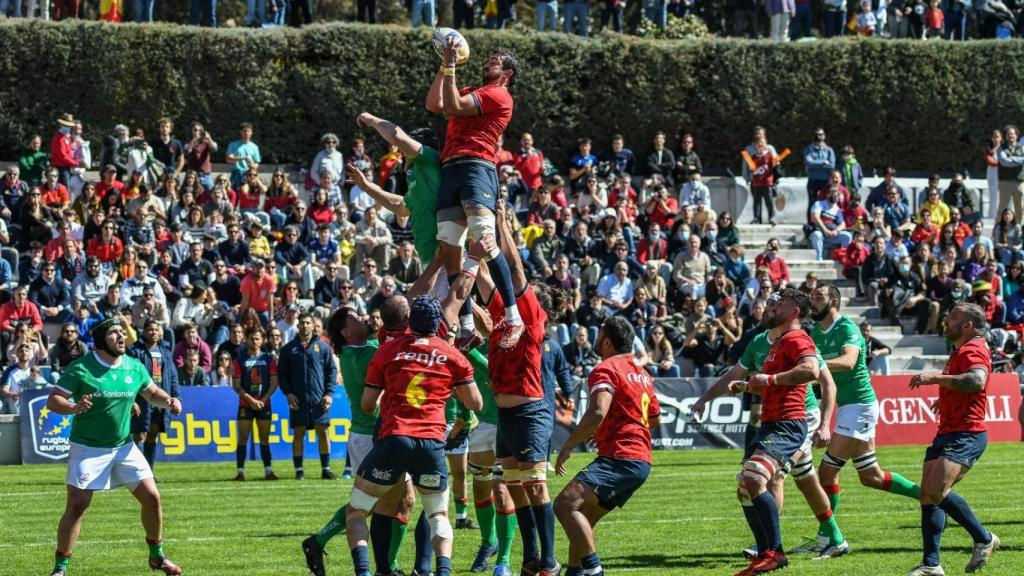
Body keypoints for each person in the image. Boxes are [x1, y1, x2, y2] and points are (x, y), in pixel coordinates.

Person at [331, 296, 481, 576]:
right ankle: (442, 571)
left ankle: (365, 571)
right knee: (437, 514)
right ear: (437, 323)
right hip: (431, 443)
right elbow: (476, 403)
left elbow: (367, 405)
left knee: (358, 511)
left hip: (394, 439)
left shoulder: (387, 351)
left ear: (411, 320)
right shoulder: (451, 354)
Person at [699, 289, 834, 572]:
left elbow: (811, 371)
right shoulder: (773, 343)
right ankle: (766, 551)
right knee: (749, 486)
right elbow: (766, 382)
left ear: (794, 312)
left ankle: (775, 551)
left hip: (790, 423)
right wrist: (747, 386)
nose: (771, 308)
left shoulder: (796, 338)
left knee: (759, 476)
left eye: (780, 305)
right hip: (772, 424)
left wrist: (769, 380)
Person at [45, 318, 183, 576]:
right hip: (88, 448)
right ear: (100, 340)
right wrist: (74, 407)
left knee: (152, 498)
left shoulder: (134, 365)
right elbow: (53, 401)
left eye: (122, 332)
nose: (122, 337)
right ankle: (60, 569)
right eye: (114, 333)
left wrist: (169, 400)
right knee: (77, 506)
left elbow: (152, 393)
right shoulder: (81, 368)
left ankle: (157, 556)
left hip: (124, 447)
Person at [425, 41, 525, 349]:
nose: (486, 64)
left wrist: (451, 65)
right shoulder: (472, 89)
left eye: (494, 61)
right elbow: (434, 103)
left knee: (484, 239)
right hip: (451, 169)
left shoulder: (499, 94)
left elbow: (454, 106)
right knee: (451, 250)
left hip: (476, 167)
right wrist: (444, 64)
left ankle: (513, 317)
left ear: (506, 73)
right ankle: (466, 327)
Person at [807, 285, 920, 552]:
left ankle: (829, 538)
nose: (813, 302)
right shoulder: (815, 332)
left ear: (834, 302)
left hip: (860, 407)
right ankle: (931, 497)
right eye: (812, 298)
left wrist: (814, 365)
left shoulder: (847, 327)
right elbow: (818, 375)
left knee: (826, 473)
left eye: (818, 297)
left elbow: (848, 361)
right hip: (849, 407)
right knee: (871, 477)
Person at [553, 316, 660, 576]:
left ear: (608, 342)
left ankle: (595, 572)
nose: (596, 338)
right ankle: (575, 572)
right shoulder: (643, 374)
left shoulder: (606, 368)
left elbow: (598, 411)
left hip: (620, 457)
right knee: (583, 516)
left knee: (565, 504)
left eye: (600, 334)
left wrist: (568, 446)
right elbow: (655, 419)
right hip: (641, 460)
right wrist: (608, 430)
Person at [906, 303, 1000, 575]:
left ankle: (984, 538)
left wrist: (936, 378)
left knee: (936, 490)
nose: (947, 320)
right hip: (948, 431)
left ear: (968, 325)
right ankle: (931, 565)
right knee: (928, 495)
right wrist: (946, 397)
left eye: (954, 317)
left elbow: (976, 381)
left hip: (967, 433)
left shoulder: (973, 349)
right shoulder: (961, 349)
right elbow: (964, 384)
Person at [279, 312, 338, 480]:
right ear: (298, 326)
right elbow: (282, 375)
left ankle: (326, 469)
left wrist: (329, 394)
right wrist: (288, 394)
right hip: (298, 399)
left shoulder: (323, 347)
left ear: (313, 326)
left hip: (319, 399)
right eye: (302, 323)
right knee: (299, 433)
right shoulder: (288, 349)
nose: (305, 326)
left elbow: (332, 371)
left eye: (308, 323)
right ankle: (299, 471)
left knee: (323, 432)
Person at [127, 320, 180, 475]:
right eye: (150, 329)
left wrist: (175, 397)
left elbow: (172, 376)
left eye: (156, 329)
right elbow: (128, 377)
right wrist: (132, 400)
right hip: (142, 398)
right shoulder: (134, 351)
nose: (154, 332)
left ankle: (148, 473)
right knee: (140, 434)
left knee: (153, 434)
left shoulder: (165, 351)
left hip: (161, 398)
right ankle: (138, 473)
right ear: (143, 332)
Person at [231, 326, 279, 481]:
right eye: (252, 338)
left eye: (257, 338)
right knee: (243, 438)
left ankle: (268, 471)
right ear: (246, 340)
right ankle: (240, 472)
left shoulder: (269, 359)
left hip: (264, 404)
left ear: (262, 340)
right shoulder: (239, 360)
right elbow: (236, 385)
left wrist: (262, 400)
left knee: (264, 439)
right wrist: (251, 401)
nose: (255, 341)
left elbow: (275, 382)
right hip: (246, 404)